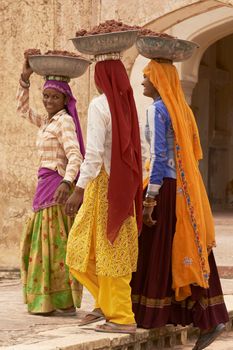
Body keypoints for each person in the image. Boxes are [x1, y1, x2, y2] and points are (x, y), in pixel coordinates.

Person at [130, 59, 229, 350]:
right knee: (191, 249)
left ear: (159, 82)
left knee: (157, 251)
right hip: (184, 190)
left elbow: (159, 157)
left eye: (147, 78)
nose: (143, 82)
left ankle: (160, 315)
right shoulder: (181, 110)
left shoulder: (156, 110)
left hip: (165, 189)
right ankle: (209, 316)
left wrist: (150, 199)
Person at [65, 58, 143, 334]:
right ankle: (104, 305)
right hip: (124, 186)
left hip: (102, 186)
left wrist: (78, 189)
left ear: (102, 79)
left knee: (85, 249)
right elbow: (140, 148)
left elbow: (94, 153)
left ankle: (121, 317)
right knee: (106, 250)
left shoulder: (100, 105)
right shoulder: (128, 106)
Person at [17, 57, 85, 315]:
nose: (48, 102)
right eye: (45, 97)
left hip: (56, 187)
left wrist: (68, 183)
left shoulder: (64, 121)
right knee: (47, 242)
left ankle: (53, 300)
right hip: (44, 183)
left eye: (54, 98)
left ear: (65, 100)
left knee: (53, 243)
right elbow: (23, 111)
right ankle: (55, 299)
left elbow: (75, 155)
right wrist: (25, 80)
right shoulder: (48, 121)